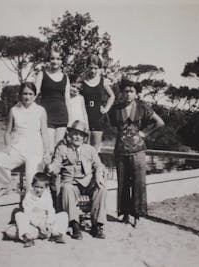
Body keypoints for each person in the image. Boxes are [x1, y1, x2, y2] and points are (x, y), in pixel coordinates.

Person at [105, 78, 164, 227]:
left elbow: (160, 122)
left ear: (136, 93)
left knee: (138, 183)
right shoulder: (116, 109)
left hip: (138, 151)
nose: (128, 94)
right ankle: (124, 214)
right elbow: (110, 125)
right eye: (125, 91)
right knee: (123, 182)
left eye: (131, 91)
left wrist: (145, 133)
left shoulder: (143, 107)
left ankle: (137, 215)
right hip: (120, 150)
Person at [0, 83, 50, 196]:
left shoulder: (40, 110)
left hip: (35, 149)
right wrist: (8, 146)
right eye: (25, 93)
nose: (27, 97)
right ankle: (4, 186)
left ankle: (33, 208)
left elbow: (45, 133)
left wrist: (47, 151)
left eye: (30, 94)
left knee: (31, 180)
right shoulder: (14, 110)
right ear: (20, 94)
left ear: (35, 96)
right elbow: (7, 133)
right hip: (17, 148)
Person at [46, 120, 108, 240]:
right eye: (74, 133)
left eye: (80, 135)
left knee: (102, 189)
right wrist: (50, 168)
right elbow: (56, 164)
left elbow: (99, 165)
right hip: (72, 183)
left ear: (85, 137)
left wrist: (98, 175)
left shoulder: (90, 149)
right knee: (66, 188)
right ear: (69, 135)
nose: (77, 137)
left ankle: (97, 225)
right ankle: (75, 224)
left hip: (88, 182)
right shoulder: (62, 148)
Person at [3, 172, 68, 247]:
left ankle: (56, 235)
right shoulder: (29, 196)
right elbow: (28, 214)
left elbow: (51, 210)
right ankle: (28, 238)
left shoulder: (47, 194)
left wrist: (48, 223)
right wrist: (39, 225)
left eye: (41, 188)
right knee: (18, 217)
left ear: (46, 187)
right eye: (36, 187)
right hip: (34, 226)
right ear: (32, 185)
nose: (38, 190)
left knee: (64, 215)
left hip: (46, 225)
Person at [35, 43, 71, 153]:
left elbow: (67, 100)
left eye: (58, 59)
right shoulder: (42, 74)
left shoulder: (65, 77)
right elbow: (34, 94)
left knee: (59, 150)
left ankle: (56, 171)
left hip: (62, 117)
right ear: (49, 59)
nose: (55, 61)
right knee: (48, 150)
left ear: (62, 61)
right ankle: (47, 171)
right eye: (52, 58)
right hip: (46, 117)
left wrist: (69, 121)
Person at [81, 54, 115, 152]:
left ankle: (94, 167)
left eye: (95, 68)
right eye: (90, 68)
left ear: (99, 68)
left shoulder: (103, 81)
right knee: (83, 146)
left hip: (97, 116)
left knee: (95, 148)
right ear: (87, 67)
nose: (93, 71)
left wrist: (106, 108)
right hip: (84, 115)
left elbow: (112, 96)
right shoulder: (82, 80)